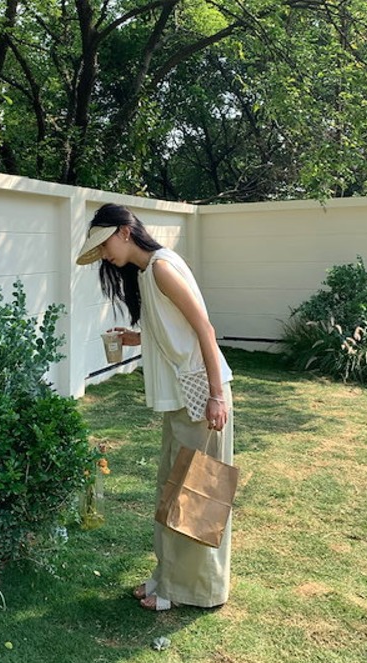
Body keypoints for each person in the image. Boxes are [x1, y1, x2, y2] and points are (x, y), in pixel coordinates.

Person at [76, 203, 234, 612]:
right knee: (172, 488)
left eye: (104, 243)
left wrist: (216, 395)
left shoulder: (162, 267)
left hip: (201, 396)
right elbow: (172, 331)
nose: (104, 254)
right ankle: (168, 577)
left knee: (197, 494)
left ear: (124, 232)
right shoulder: (148, 272)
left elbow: (205, 329)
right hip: (184, 398)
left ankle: (193, 589)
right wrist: (134, 339)